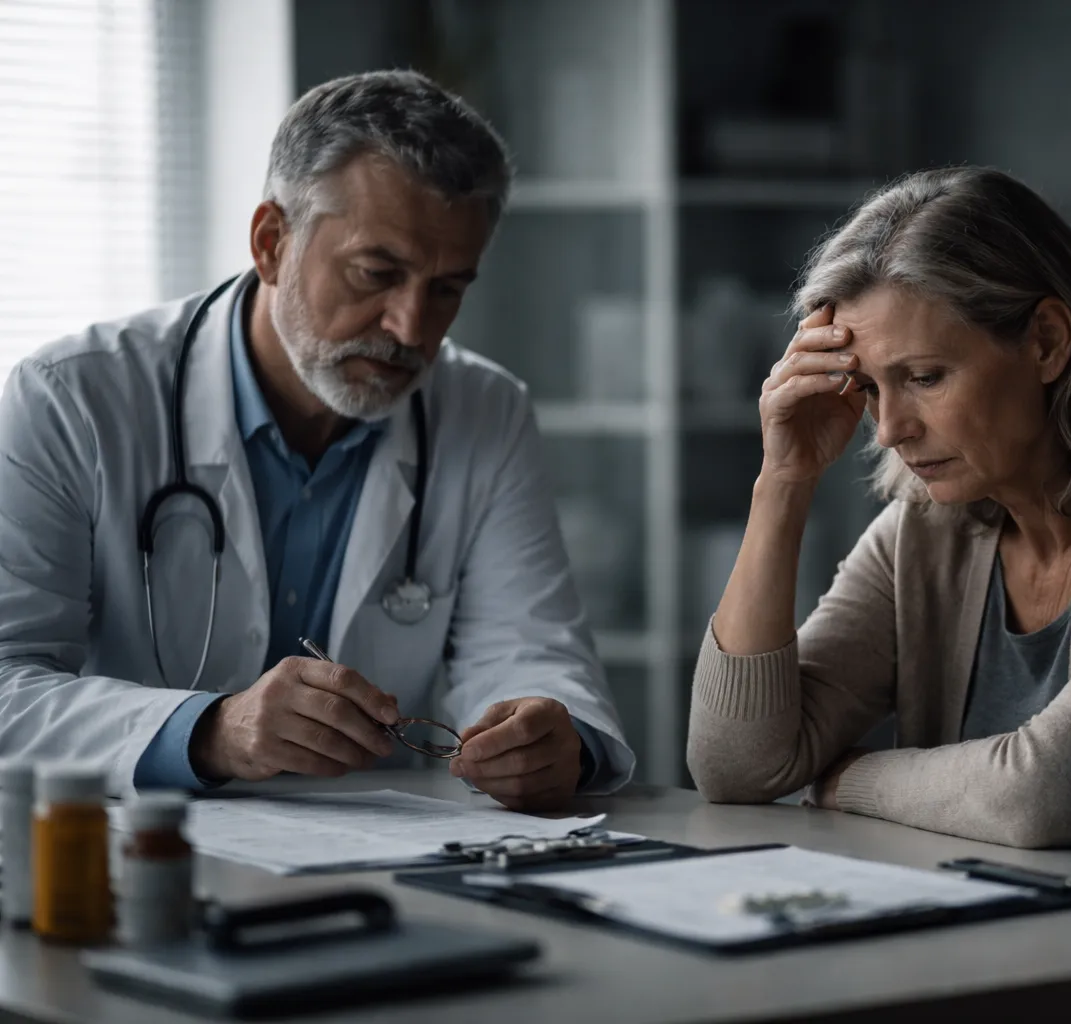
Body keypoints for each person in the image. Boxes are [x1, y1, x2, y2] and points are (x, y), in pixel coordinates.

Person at [0, 70, 633, 809]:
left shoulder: (485, 410)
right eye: (377, 273)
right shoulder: (70, 397)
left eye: (448, 289)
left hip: (382, 861)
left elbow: (529, 649)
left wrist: (553, 737)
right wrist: (212, 730)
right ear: (272, 242)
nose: (411, 328)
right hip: (135, 857)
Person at [686, 167, 1071, 847]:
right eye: (867, 387)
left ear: (1047, 342)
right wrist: (783, 481)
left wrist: (842, 782)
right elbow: (735, 765)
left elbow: (1042, 797)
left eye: (923, 377)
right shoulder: (922, 534)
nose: (889, 429)